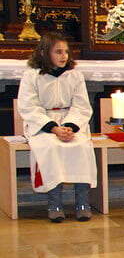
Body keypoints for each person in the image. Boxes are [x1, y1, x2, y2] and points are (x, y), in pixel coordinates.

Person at [17, 32, 97, 222]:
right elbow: (29, 106)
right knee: (50, 146)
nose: (64, 56)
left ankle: (82, 203)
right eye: (58, 52)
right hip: (42, 123)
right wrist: (54, 128)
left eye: (66, 52)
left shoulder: (74, 75)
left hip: (71, 121)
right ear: (45, 52)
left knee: (82, 146)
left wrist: (69, 127)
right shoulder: (32, 75)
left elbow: (81, 106)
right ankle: (55, 204)